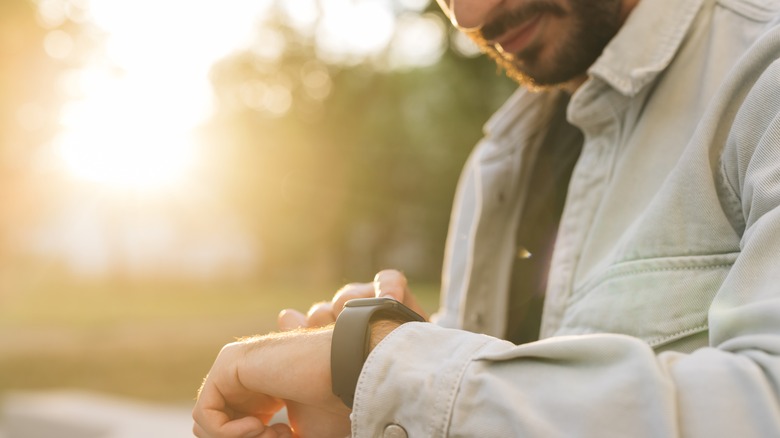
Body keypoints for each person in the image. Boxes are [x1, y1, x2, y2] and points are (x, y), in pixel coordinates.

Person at [192, 0, 780, 436]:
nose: (470, 15)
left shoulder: (764, 72)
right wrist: (363, 399)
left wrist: (382, 361)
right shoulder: (498, 160)